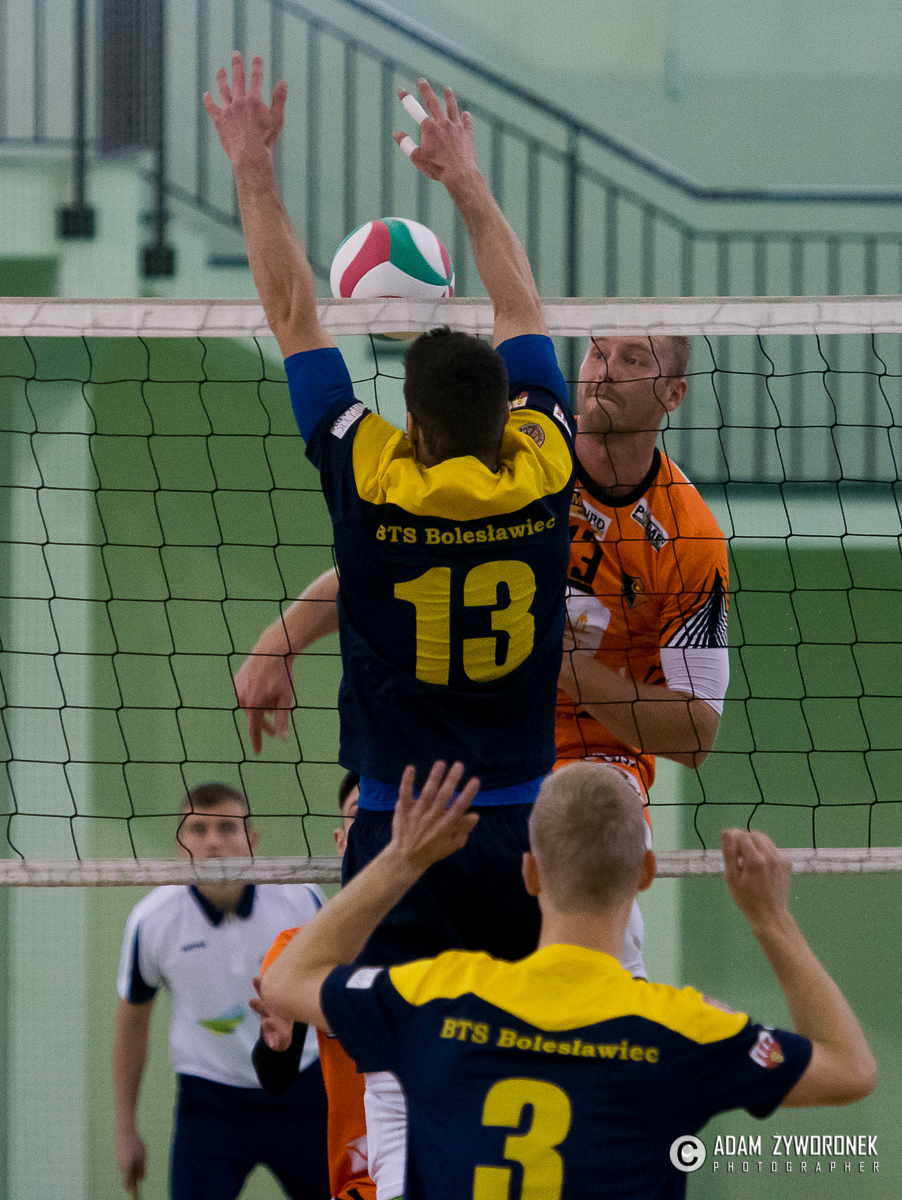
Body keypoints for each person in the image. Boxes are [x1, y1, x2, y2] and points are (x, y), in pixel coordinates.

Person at [207, 56, 575, 969]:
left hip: (397, 822)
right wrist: (465, 179)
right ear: (511, 416)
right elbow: (521, 307)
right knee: (519, 1026)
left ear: (411, 422)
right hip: (521, 821)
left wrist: (252, 165)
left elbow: (292, 312)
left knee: (388, 1036)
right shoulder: (546, 463)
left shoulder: (369, 475)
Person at [258, 759, 875, 1200]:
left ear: (529, 873)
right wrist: (771, 919)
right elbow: (851, 1069)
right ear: (646, 874)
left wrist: (402, 857)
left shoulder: (440, 995)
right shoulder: (685, 1029)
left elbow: (288, 980)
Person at [113, 783, 330, 1200]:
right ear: (179, 844)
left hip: (305, 1089)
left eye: (228, 828)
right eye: (198, 829)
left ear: (253, 840)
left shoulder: (301, 899)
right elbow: (133, 1023)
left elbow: (338, 995)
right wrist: (126, 1129)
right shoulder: (151, 920)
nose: (213, 842)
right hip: (210, 1101)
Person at [251, 773, 376, 1200]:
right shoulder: (298, 949)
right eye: (360, 813)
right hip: (363, 1181)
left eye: (386, 810)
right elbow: (276, 1078)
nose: (375, 823)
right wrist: (278, 1046)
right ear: (341, 842)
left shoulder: (455, 936)